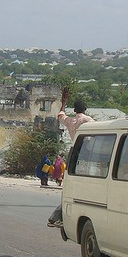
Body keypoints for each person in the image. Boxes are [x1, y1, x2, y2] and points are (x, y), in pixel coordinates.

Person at [48, 87, 95, 228]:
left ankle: (57, 217)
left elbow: (60, 115)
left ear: (74, 110)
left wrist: (64, 102)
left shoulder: (70, 121)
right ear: (85, 108)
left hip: (74, 155)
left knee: (72, 190)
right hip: (87, 155)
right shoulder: (89, 120)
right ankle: (61, 217)